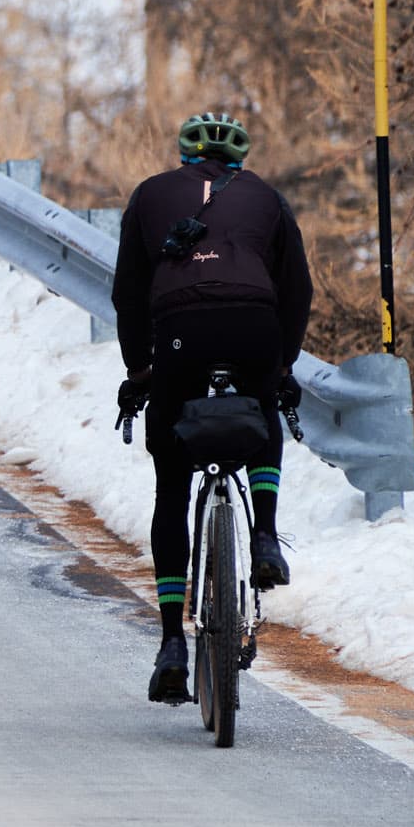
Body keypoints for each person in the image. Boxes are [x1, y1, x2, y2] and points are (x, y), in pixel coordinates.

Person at [111, 112, 313, 703]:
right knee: (265, 410)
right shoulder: (267, 199)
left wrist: (140, 370)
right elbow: (297, 288)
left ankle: (173, 640)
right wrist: (282, 367)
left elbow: (128, 292)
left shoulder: (150, 195)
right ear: (238, 161)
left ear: (185, 156)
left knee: (172, 483)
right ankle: (267, 535)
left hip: (178, 331)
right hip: (254, 324)